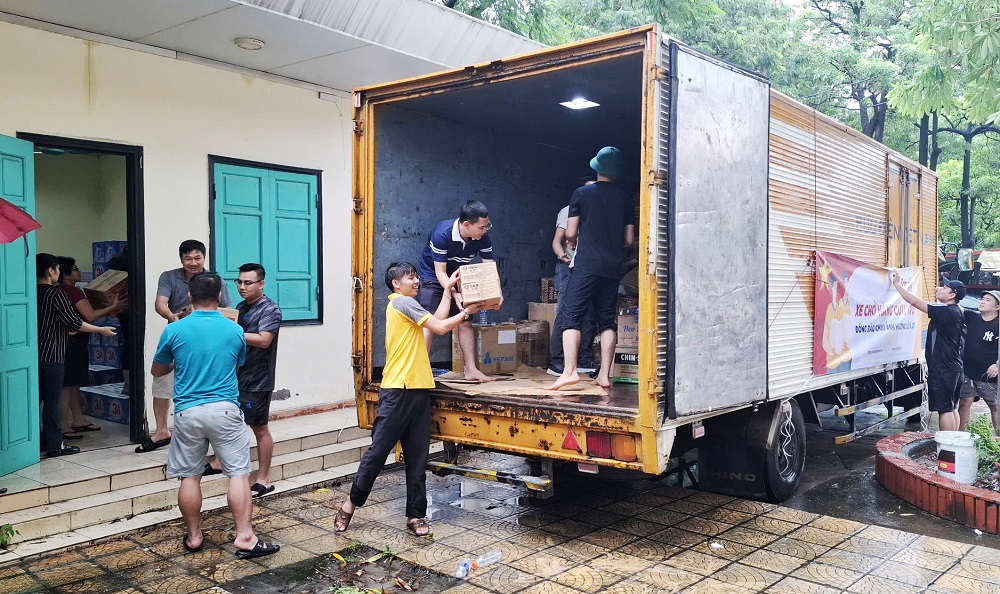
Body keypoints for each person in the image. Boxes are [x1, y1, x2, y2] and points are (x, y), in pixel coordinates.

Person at [334, 263, 484, 537]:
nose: (416, 281)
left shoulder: (410, 309)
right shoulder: (402, 303)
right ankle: (349, 505)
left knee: (418, 459)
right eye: (410, 277)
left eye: (416, 276)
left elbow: (432, 324)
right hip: (397, 392)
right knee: (377, 455)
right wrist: (465, 313)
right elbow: (439, 327)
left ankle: (415, 516)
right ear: (395, 283)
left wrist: (448, 293)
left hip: (419, 391)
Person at [151, 272, 278, 559]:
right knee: (238, 475)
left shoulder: (175, 330)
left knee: (189, 476)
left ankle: (194, 537)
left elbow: (157, 371)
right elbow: (236, 364)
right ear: (220, 297)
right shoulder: (233, 330)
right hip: (225, 409)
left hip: (188, 412)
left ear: (191, 298)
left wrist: (178, 362)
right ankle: (245, 537)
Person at [548, 147, 635, 391]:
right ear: (616, 173)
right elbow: (629, 239)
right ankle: (604, 376)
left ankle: (569, 372)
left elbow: (571, 232)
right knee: (607, 321)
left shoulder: (581, 194)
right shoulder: (625, 199)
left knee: (571, 318)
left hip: (586, 265)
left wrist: (579, 241)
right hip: (611, 267)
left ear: (596, 168)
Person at [138, 240, 232, 453]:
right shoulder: (169, 277)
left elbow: (227, 310)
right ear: (181, 259)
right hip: (178, 334)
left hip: (207, 339)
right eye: (188, 258)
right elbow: (160, 303)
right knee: (162, 380)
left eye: (197, 258)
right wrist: (174, 318)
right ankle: (162, 431)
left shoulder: (216, 280)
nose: (193, 263)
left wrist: (202, 315)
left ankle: (208, 433)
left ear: (204, 258)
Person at [204, 263, 282, 497]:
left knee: (259, 428)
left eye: (248, 282)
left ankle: (264, 479)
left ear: (261, 284)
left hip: (258, 379)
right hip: (235, 376)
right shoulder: (241, 306)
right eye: (239, 282)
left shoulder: (270, 309)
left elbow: (263, 340)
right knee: (227, 422)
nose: (242, 286)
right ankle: (219, 461)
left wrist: (231, 331)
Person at [36, 253, 117, 457]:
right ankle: (54, 444)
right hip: (53, 354)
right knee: (52, 402)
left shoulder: (31, 293)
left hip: (33, 355)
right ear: (51, 271)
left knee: (35, 401)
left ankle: (34, 440)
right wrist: (101, 330)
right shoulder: (57, 294)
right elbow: (74, 323)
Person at [417, 200, 498, 383]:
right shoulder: (442, 234)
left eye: (487, 226)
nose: (485, 230)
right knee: (430, 323)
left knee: (465, 321)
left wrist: (496, 295)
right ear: (467, 224)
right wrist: (454, 294)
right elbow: (440, 272)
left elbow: (489, 270)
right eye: (482, 227)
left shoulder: (482, 237)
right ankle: (419, 370)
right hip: (434, 277)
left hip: (459, 276)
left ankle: (471, 370)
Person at [55, 256, 125, 440]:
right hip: (73, 342)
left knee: (73, 383)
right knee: (67, 385)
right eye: (76, 269)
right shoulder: (72, 292)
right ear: (66, 274)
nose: (79, 272)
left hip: (70, 343)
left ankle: (78, 418)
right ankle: (63, 423)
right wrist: (113, 306)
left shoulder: (60, 290)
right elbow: (90, 316)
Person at [891, 273, 966, 432]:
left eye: (944, 287)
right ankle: (953, 442)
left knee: (944, 409)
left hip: (943, 369)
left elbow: (914, 301)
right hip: (953, 368)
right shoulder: (958, 310)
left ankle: (946, 446)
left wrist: (897, 284)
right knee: (952, 407)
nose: (938, 288)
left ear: (952, 295)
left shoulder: (946, 311)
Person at [548, 176, 598, 377]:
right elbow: (557, 240)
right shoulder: (568, 211)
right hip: (568, 268)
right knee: (566, 313)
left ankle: (583, 359)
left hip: (587, 269)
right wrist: (561, 254)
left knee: (589, 313)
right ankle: (557, 362)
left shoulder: (596, 213)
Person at [959, 290, 1000, 434]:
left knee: (995, 407)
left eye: (988, 300)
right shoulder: (972, 317)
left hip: (990, 375)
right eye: (982, 299)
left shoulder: (998, 324)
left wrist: (997, 364)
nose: (982, 302)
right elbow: (956, 308)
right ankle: (961, 437)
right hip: (968, 371)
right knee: (964, 403)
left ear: (997, 307)